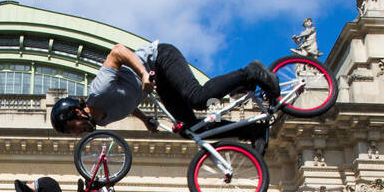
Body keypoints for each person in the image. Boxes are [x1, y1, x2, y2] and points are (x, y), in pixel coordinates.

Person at [49, 41, 281, 137]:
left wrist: (142, 74)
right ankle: (254, 131)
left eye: (72, 127)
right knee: (192, 130)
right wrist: (144, 119)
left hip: (160, 59)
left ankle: (251, 72)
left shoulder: (97, 92)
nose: (77, 133)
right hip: (160, 82)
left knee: (198, 98)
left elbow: (117, 51)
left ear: (77, 112)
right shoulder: (102, 120)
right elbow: (125, 104)